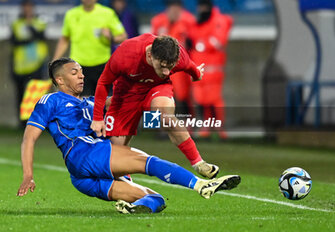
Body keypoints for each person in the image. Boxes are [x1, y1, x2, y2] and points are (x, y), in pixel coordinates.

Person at [16, 57, 241, 214]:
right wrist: (28, 174)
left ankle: (131, 208)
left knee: (155, 199)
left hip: (82, 178)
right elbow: (29, 138)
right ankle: (201, 185)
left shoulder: (90, 102)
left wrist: (142, 88)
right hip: (85, 153)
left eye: (82, 72)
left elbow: (117, 102)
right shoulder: (50, 100)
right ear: (59, 81)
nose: (81, 76)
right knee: (148, 162)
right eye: (74, 73)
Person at [91, 34, 219, 179]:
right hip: (126, 94)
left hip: (157, 88)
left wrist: (197, 75)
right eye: (162, 66)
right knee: (116, 153)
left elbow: (191, 67)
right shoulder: (126, 54)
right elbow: (103, 82)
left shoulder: (178, 56)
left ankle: (199, 164)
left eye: (170, 67)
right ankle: (128, 190)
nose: (166, 72)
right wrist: (97, 118)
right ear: (150, 55)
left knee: (165, 116)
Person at [53, 0, 127, 96]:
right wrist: (55, 61)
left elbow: (123, 37)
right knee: (82, 102)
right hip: (78, 66)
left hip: (102, 65)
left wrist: (110, 37)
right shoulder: (71, 14)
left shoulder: (107, 13)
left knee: (103, 102)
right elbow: (64, 39)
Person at [188, 0, 233, 139]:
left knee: (214, 99)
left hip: (214, 68)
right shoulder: (200, 22)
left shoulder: (218, 20)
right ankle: (207, 127)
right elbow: (193, 38)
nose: (201, 9)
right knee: (202, 99)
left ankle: (221, 128)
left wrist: (199, 44)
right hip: (201, 67)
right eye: (200, 6)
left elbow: (218, 42)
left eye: (203, 6)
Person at [151, 0, 195, 116]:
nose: (174, 11)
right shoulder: (158, 21)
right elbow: (152, 42)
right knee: (156, 96)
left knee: (182, 96)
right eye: (172, 8)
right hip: (160, 66)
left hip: (180, 66)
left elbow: (193, 42)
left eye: (177, 8)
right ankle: (155, 127)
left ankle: (187, 124)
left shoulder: (188, 21)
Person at [10, 0, 49, 128]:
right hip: (21, 65)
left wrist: (30, 26)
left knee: (36, 94)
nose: (27, 9)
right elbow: (14, 42)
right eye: (25, 7)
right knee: (21, 95)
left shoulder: (39, 22)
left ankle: (37, 122)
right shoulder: (16, 24)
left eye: (29, 7)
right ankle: (22, 124)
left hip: (37, 64)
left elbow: (40, 36)